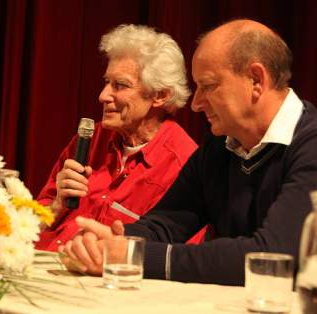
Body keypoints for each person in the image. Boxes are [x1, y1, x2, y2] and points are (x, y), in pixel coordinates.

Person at [59, 19, 317, 285]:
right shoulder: (220, 145)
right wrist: (111, 241)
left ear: (256, 80)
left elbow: (273, 256)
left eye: (208, 86)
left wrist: (134, 256)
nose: (196, 104)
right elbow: (166, 224)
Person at [35, 24, 197, 251]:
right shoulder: (90, 139)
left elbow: (176, 256)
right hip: (42, 260)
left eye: (120, 85)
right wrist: (56, 205)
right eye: (106, 82)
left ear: (160, 95)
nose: (103, 96)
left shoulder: (184, 165)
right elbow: (31, 223)